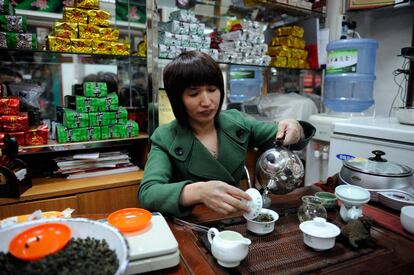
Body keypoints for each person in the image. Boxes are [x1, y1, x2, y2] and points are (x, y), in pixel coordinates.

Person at [138, 51, 315, 218]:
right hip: (195, 224)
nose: (207, 102)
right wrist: (197, 192)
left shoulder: (237, 122)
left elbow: (282, 134)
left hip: (239, 216)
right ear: (178, 100)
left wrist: (295, 126)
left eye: (212, 89)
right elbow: (148, 193)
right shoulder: (165, 137)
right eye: (194, 93)